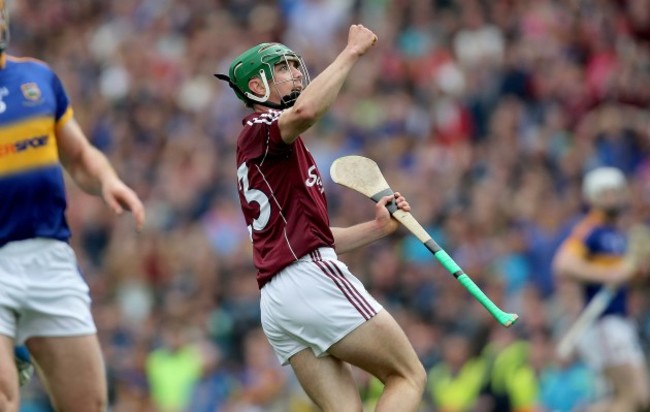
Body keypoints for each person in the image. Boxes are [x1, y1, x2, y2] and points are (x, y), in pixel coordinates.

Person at [216, 25, 426, 411]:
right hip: (309, 279)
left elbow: (314, 235)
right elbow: (308, 110)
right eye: (282, 68)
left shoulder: (275, 148)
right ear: (258, 88)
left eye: (296, 65)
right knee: (408, 376)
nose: (296, 73)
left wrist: (377, 228)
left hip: (279, 300)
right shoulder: (262, 130)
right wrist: (352, 52)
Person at [0, 0, 146, 410]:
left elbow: (79, 157)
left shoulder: (37, 77)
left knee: (88, 404)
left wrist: (108, 180)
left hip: (49, 257)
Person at [552, 167, 650, 412]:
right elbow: (564, 264)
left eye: (616, 192)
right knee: (635, 396)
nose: (613, 197)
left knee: (634, 400)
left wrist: (638, 272)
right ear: (593, 197)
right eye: (606, 193)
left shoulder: (618, 233)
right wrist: (611, 274)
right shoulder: (591, 229)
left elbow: (629, 279)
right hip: (603, 323)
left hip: (620, 321)